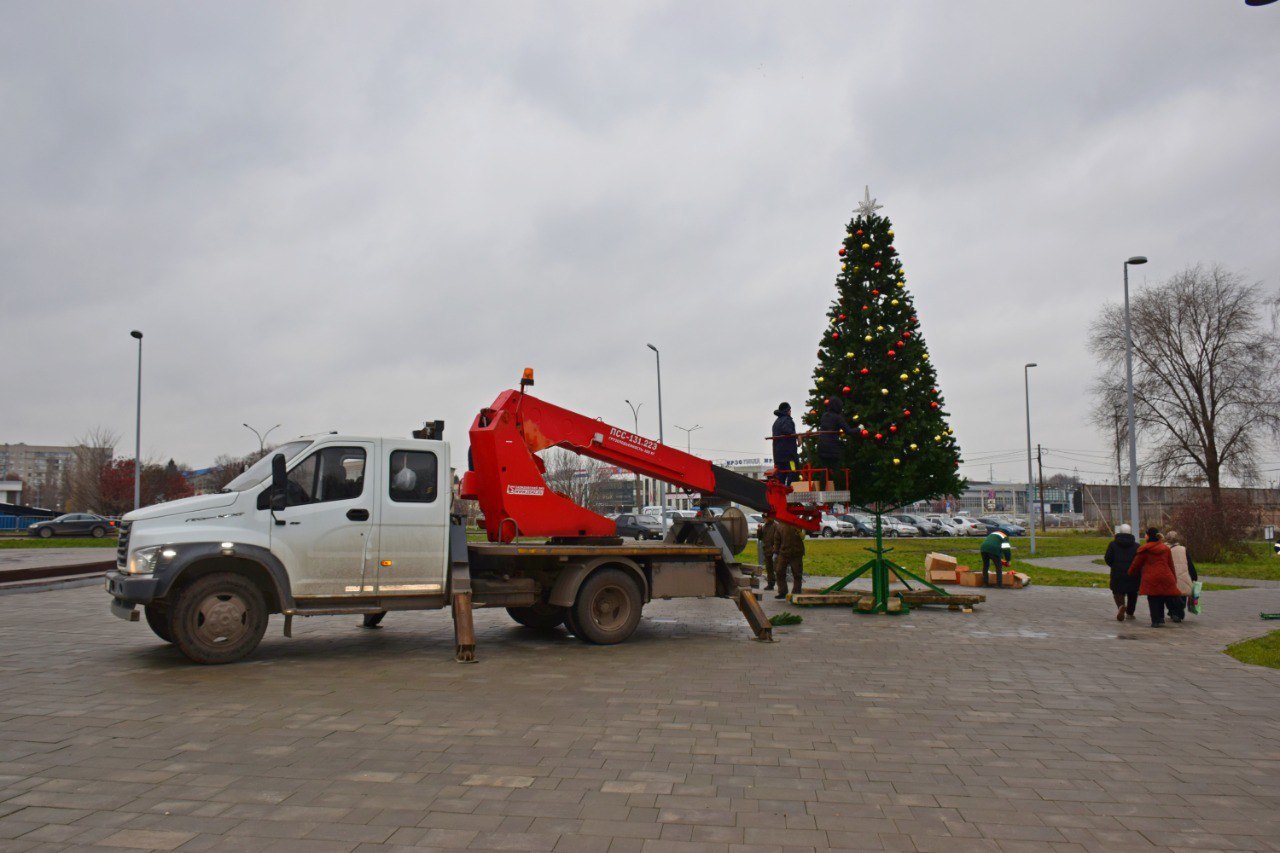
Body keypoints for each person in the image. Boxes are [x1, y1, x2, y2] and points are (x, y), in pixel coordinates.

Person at [1128, 528, 1183, 627]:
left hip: (1151, 577)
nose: (1145, 536)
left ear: (1148, 536)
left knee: (1153, 598)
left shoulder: (1145, 549)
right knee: (1163, 595)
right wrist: (1173, 578)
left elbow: (1136, 563)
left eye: (1145, 535)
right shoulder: (1165, 548)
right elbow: (1170, 564)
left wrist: (1130, 572)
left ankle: (1155, 621)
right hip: (1166, 576)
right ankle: (1165, 617)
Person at [1104, 523, 1140, 621]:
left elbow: (1108, 558)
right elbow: (1139, 560)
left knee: (1117, 591)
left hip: (1117, 573)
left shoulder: (1113, 545)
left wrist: (1114, 566)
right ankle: (1130, 613)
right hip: (1133, 574)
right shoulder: (1136, 546)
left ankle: (1121, 606)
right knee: (1132, 593)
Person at [817, 398, 853, 488]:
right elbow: (848, 431)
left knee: (824, 470)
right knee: (836, 470)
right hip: (832, 447)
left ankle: (821, 493)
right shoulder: (837, 417)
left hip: (822, 446)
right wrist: (859, 429)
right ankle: (838, 494)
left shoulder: (824, 415)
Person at [1164, 529, 1198, 622]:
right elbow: (1190, 564)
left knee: (1170, 596)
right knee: (1182, 594)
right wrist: (1194, 576)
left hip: (1170, 576)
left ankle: (1173, 611)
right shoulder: (1183, 549)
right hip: (1183, 575)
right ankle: (1179, 612)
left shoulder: (1164, 548)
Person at [771, 403, 799, 485]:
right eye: (790, 410)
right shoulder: (787, 420)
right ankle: (789, 491)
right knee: (793, 472)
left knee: (781, 475)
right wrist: (797, 436)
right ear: (787, 411)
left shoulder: (776, 422)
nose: (790, 412)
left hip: (778, 455)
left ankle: (781, 492)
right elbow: (787, 431)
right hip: (789, 455)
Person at [776, 521, 805, 599]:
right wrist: (775, 552)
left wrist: (799, 531)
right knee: (779, 571)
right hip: (784, 552)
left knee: (797, 573)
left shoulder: (798, 523)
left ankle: (796, 592)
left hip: (796, 552)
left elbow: (803, 536)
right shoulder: (780, 525)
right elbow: (777, 540)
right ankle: (782, 591)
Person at [759, 517, 781, 591]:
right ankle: (770, 584)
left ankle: (780, 585)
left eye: (765, 518)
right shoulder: (764, 526)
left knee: (777, 568)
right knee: (769, 568)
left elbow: (778, 538)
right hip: (767, 550)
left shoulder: (775, 526)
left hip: (774, 550)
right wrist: (759, 530)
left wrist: (776, 548)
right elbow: (760, 537)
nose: (764, 519)